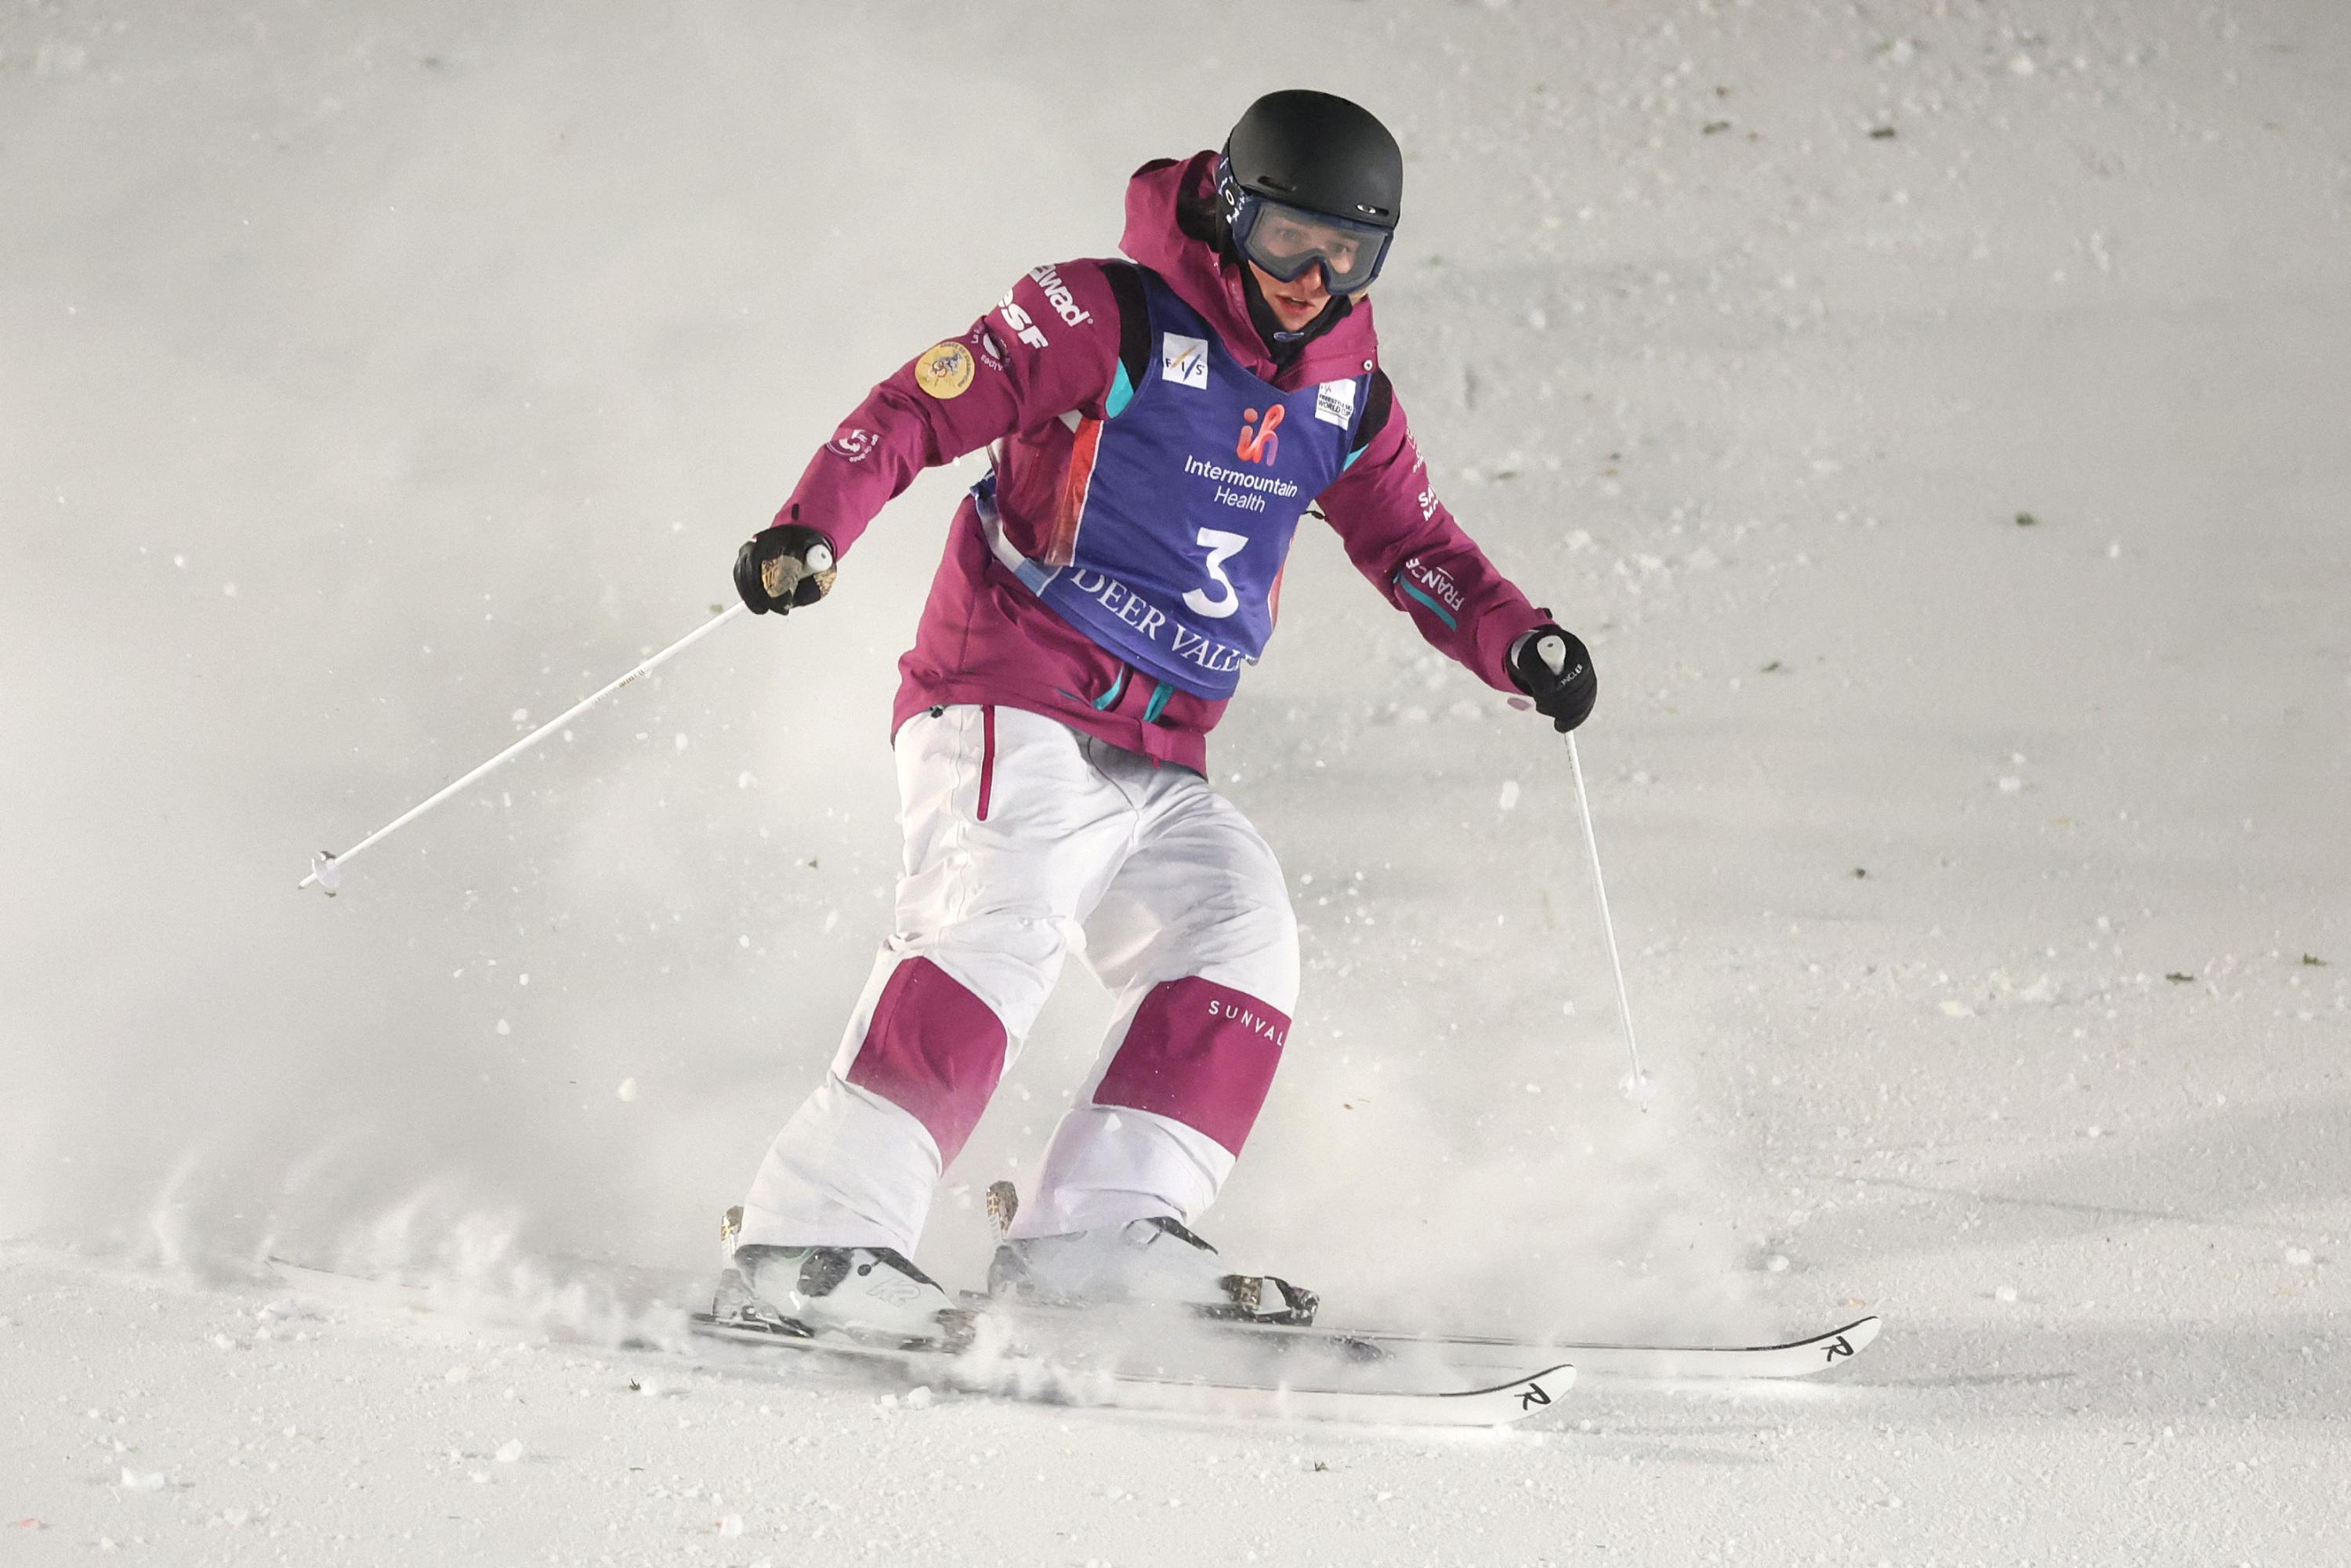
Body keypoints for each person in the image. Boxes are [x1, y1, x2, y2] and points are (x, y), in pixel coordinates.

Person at [715, 90, 1596, 1345]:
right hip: (1009, 690)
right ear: (1233, 208)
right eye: (1290, 236)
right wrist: (815, 523)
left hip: (1158, 745)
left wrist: (1520, 641)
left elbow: (1414, 542)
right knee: (997, 919)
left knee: (1240, 935)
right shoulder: (1106, 312)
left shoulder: (1349, 398)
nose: (1311, 276)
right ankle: (814, 1233)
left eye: (1348, 255)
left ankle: (1096, 1232)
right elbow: (920, 404)